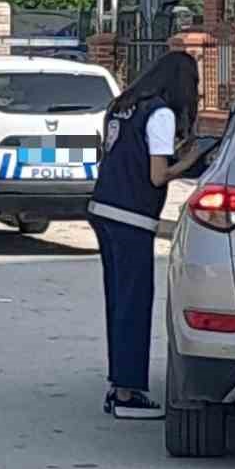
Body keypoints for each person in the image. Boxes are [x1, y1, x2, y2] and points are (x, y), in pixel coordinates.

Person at [88, 50, 205, 419]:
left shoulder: (123, 105)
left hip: (103, 207)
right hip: (131, 215)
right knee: (135, 303)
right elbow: (157, 175)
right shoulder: (161, 113)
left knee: (119, 300)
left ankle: (118, 382)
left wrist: (173, 152)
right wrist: (190, 160)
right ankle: (129, 394)